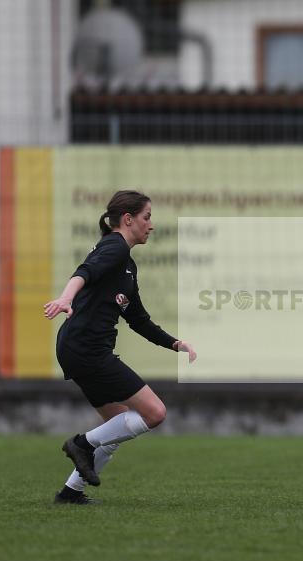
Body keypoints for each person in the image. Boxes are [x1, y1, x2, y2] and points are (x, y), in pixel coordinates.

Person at [44, 190, 196, 504]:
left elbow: (138, 319)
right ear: (128, 219)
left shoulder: (126, 265)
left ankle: (71, 492)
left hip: (78, 347)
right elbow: (83, 273)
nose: (151, 225)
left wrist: (174, 343)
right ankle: (81, 443)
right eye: (147, 217)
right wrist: (65, 298)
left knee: (118, 424)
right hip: (87, 348)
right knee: (154, 413)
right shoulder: (113, 246)